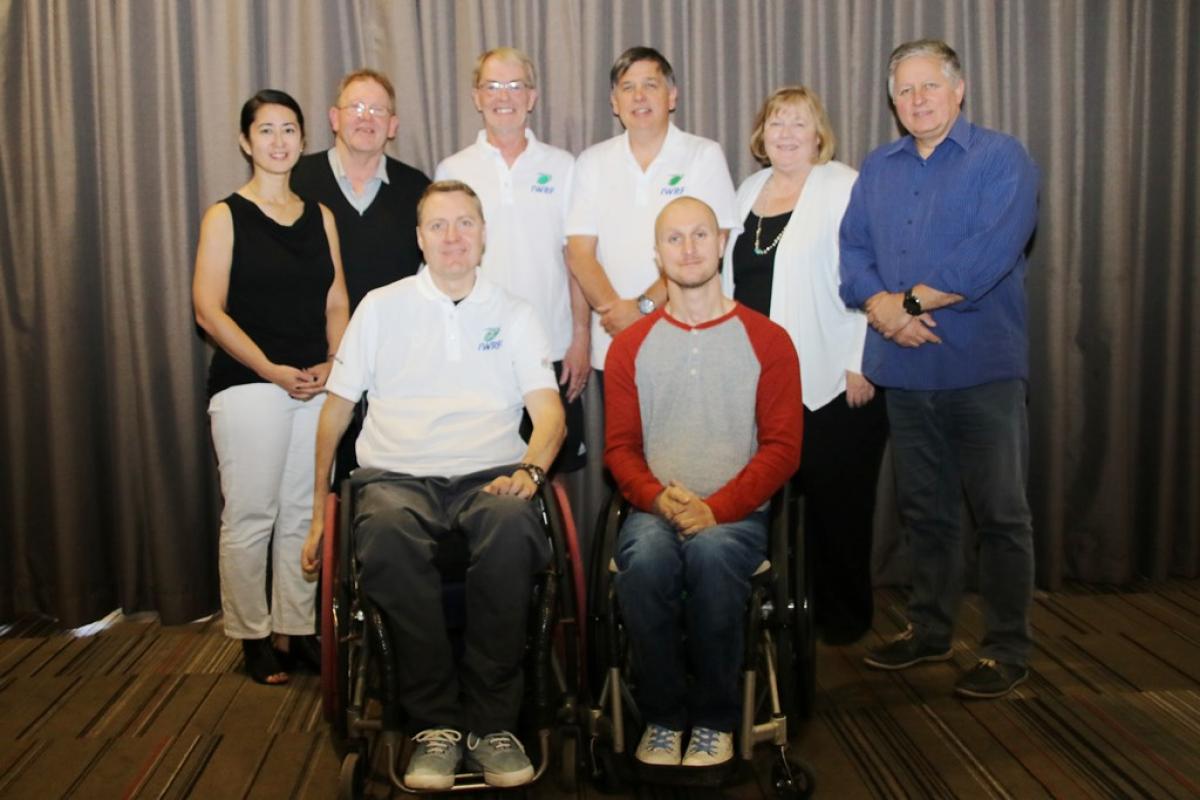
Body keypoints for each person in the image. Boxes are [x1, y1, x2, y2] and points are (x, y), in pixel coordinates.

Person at [300, 181, 565, 790]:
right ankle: (434, 723)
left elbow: (549, 413)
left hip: (488, 475)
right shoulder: (381, 306)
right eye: (439, 226)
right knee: (387, 535)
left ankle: (494, 723)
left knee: (513, 528)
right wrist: (319, 512)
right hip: (396, 476)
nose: (453, 237)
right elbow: (335, 413)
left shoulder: (515, 312)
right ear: (419, 238)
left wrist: (529, 471)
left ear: (483, 234)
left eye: (465, 223)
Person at [839, 39, 1040, 699]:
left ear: (960, 89)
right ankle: (929, 632)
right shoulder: (879, 164)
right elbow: (853, 247)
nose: (917, 100)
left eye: (929, 86)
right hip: (906, 369)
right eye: (904, 91)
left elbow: (992, 252)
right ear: (892, 102)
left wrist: (910, 302)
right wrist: (880, 307)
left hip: (982, 365)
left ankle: (1008, 647)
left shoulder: (1001, 157)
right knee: (926, 512)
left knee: (1001, 514)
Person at [605, 197, 802, 767]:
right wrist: (654, 499)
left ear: (720, 244)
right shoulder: (629, 347)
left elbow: (784, 448)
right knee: (642, 561)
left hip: (738, 514)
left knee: (714, 556)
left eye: (699, 236)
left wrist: (718, 507)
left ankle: (716, 720)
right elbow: (620, 449)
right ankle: (665, 717)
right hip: (653, 510)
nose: (688, 249)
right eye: (674, 239)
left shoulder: (768, 341)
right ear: (657, 254)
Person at [192, 89, 349, 685]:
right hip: (248, 386)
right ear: (245, 141)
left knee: (303, 512)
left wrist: (335, 361)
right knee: (253, 513)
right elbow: (209, 310)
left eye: (289, 130)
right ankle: (252, 636)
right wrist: (269, 369)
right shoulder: (224, 215)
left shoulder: (321, 217)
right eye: (266, 130)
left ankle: (297, 629)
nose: (279, 141)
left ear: (302, 140)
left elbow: (337, 299)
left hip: (315, 384)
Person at [722, 86, 888, 645]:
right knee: (765, 505)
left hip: (833, 375)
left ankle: (843, 620)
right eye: (776, 123)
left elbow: (876, 272)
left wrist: (861, 359)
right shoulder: (747, 191)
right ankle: (778, 615)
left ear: (819, 134)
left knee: (838, 506)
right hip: (759, 379)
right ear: (760, 136)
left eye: (799, 123)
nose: (786, 133)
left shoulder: (843, 185)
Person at [435, 47, 590, 472]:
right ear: (476, 97)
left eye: (515, 85)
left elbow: (575, 257)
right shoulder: (453, 169)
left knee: (551, 472)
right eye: (493, 86)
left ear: (532, 96)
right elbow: (441, 262)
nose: (504, 96)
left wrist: (580, 336)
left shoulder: (563, 166)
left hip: (551, 348)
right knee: (483, 474)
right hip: (476, 350)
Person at [290, 69, 430, 483]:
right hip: (308, 374)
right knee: (307, 500)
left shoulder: (416, 189)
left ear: (393, 125)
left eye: (378, 110)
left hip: (391, 380)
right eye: (356, 107)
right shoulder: (296, 180)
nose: (366, 118)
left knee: (380, 500)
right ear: (334, 118)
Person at [566, 46, 738, 374]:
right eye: (627, 88)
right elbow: (579, 253)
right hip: (615, 338)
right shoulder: (592, 162)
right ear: (614, 103)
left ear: (671, 96)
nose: (639, 97)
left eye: (650, 85)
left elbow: (710, 247)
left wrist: (642, 308)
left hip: (690, 335)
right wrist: (616, 312)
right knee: (622, 428)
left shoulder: (703, 155)